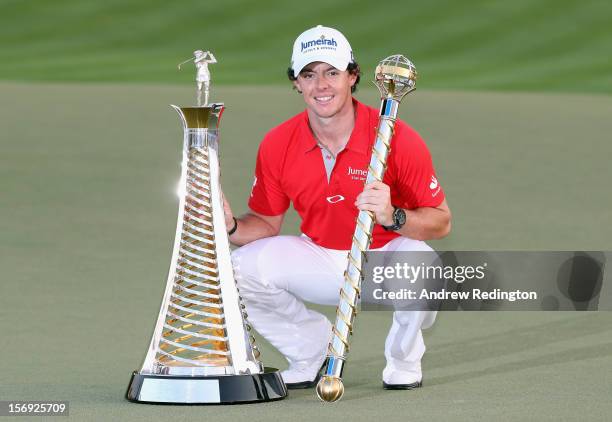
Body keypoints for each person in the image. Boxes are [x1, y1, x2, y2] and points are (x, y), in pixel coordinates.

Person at [222, 25, 451, 390]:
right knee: (238, 269)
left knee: (425, 270)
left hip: (383, 258)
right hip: (319, 257)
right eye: (309, 74)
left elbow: (440, 222)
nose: (321, 85)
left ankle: (404, 360)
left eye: (332, 72)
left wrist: (393, 216)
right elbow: (265, 223)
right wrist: (231, 225)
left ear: (352, 76)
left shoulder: (396, 137)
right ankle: (312, 352)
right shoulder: (278, 142)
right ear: (296, 82)